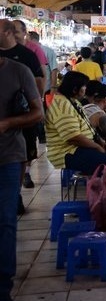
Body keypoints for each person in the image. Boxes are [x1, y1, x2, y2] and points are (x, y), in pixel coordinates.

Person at [0, 54, 43, 297]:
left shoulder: (19, 71)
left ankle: (3, 286)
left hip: (7, 156)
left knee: (5, 220)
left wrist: (7, 123)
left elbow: (37, 114)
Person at [45, 71, 106, 175]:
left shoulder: (73, 101)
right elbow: (73, 137)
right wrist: (96, 147)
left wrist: (100, 142)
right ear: (75, 89)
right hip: (67, 151)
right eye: (84, 87)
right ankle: (101, 189)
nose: (85, 89)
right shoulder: (62, 105)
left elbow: (87, 126)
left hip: (80, 147)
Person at [0, 20, 45, 194]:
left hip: (19, 124)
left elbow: (40, 80)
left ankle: (22, 179)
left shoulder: (26, 56)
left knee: (25, 151)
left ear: (8, 33)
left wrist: (34, 94)